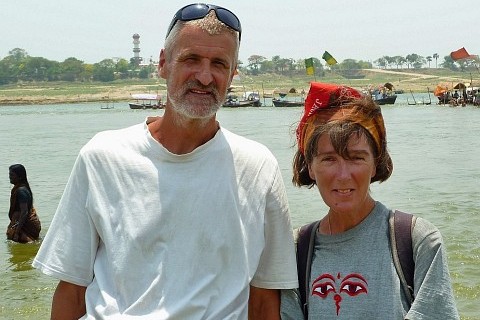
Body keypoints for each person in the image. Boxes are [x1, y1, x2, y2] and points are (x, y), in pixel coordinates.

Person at [33, 3, 297, 319]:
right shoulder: (102, 157)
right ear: (163, 63)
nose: (204, 76)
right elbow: (71, 289)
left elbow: (265, 298)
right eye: (190, 59)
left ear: (232, 73)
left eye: (219, 64)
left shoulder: (258, 168)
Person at [280, 82, 459, 319]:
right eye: (328, 159)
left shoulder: (417, 241)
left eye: (356, 158)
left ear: (376, 163)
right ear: (310, 167)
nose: (343, 175)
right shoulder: (295, 250)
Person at [6, 164, 41, 243]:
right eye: (9, 175)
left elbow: (24, 212)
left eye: (12, 175)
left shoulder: (21, 191)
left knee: (26, 243)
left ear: (20, 177)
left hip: (24, 224)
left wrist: (17, 232)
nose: (10, 177)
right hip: (23, 222)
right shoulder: (21, 188)